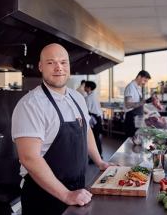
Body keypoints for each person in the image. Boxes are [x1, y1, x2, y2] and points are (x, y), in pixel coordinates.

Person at [11, 43, 112, 215]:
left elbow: (85, 130)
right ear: (41, 67)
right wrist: (66, 195)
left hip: (77, 190)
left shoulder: (77, 97)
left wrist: (100, 162)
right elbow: (29, 157)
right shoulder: (31, 104)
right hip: (43, 197)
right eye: (51, 62)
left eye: (63, 62)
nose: (59, 67)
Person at [124, 70, 151, 138]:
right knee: (131, 139)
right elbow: (128, 105)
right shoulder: (130, 87)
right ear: (139, 77)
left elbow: (138, 104)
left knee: (137, 139)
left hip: (137, 118)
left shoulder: (137, 88)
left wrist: (148, 112)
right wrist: (144, 101)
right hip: (131, 118)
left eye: (146, 81)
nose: (145, 83)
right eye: (144, 80)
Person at [84, 80, 103, 157]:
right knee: (96, 137)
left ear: (89, 88)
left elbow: (86, 109)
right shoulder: (94, 95)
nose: (84, 88)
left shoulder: (89, 98)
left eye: (85, 86)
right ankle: (98, 154)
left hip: (93, 118)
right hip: (97, 118)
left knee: (94, 138)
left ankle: (96, 156)